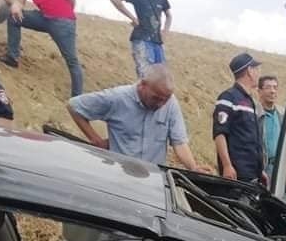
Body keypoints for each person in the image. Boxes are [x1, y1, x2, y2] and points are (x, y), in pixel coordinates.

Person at [67, 64, 208, 171]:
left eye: (165, 100)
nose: (161, 104)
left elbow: (179, 143)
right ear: (142, 85)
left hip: (153, 178)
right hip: (118, 172)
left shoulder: (170, 103)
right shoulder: (117, 98)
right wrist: (96, 140)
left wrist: (193, 167)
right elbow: (74, 106)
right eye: (156, 98)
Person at [0, 0, 84, 97]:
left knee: (72, 61)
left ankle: (77, 97)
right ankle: (12, 57)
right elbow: (19, 1)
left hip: (63, 21)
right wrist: (16, 6)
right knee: (13, 18)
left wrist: (68, 11)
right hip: (44, 18)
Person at [213, 53, 266, 184]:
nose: (259, 73)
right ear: (249, 71)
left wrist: (260, 170)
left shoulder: (250, 101)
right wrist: (227, 165)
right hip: (237, 175)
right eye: (257, 69)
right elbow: (219, 134)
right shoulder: (228, 97)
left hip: (253, 175)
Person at [110, 0, 172, 79]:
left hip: (157, 43)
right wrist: (133, 18)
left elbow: (169, 16)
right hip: (142, 40)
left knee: (161, 78)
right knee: (146, 77)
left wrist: (165, 32)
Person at [256, 75, 284, 184]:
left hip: (280, 167)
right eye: (268, 87)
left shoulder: (282, 114)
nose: (272, 91)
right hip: (262, 168)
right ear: (259, 91)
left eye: (275, 87)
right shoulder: (254, 115)